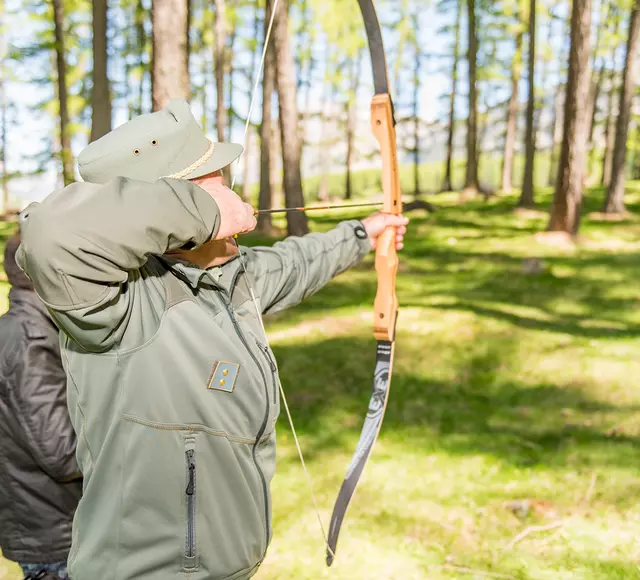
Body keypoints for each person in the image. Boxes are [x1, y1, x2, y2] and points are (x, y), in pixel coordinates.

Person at [16, 99, 408, 580]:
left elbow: (294, 263)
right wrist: (204, 212)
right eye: (209, 185)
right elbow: (50, 233)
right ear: (170, 208)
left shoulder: (227, 277)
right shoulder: (118, 306)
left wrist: (363, 233)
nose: (228, 191)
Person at [0, 230, 82, 580]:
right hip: (56, 541)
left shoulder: (35, 329)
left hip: (58, 527)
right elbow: (63, 452)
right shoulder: (28, 344)